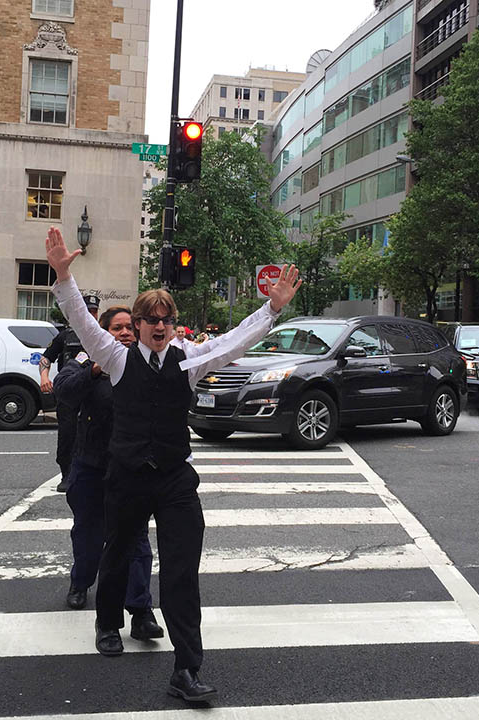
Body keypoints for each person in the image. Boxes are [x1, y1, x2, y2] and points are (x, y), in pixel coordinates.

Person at [45, 225, 301, 703]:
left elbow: (235, 343)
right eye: (150, 319)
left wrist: (272, 309)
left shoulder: (190, 358)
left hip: (175, 479)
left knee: (182, 572)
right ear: (138, 325)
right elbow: (82, 321)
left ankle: (187, 668)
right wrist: (63, 276)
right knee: (118, 551)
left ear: (173, 324)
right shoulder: (116, 358)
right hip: (126, 476)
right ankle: (108, 622)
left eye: (166, 318)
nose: (159, 325)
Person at [52, 305, 164, 644]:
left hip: (132, 469)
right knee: (88, 534)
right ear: (103, 334)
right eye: (117, 328)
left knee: (137, 541)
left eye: (130, 327)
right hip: (91, 464)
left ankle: (141, 611)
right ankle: (81, 580)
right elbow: (64, 391)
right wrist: (95, 371)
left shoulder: (146, 363)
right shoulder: (87, 361)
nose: (126, 333)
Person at [40, 293, 101, 493]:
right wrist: (44, 378)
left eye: (94, 311)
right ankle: (67, 474)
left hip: (93, 392)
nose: (91, 315)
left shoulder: (102, 335)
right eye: (87, 311)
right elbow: (46, 358)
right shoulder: (66, 335)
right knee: (67, 434)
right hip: (69, 392)